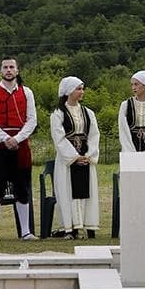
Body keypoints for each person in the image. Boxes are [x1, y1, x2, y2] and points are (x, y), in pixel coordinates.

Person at [0, 57, 37, 241]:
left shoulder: (26, 92)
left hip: (21, 146)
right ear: (0, 71)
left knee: (22, 188)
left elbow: (32, 120)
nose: (9, 70)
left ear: (17, 70)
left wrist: (17, 138)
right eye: (5, 67)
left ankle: (25, 231)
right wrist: (5, 138)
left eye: (12, 67)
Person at [50, 76, 100, 238]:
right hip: (67, 161)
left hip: (85, 158)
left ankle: (87, 225)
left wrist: (88, 155)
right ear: (69, 91)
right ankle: (70, 228)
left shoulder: (88, 113)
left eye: (82, 88)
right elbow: (58, 138)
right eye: (78, 89)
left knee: (87, 191)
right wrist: (74, 157)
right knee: (67, 191)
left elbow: (94, 135)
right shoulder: (58, 114)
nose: (82, 92)